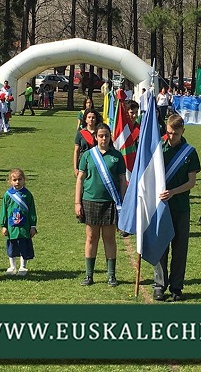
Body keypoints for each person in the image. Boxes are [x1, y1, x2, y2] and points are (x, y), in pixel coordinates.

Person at [154, 113, 200, 301]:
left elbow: (191, 182)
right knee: (160, 248)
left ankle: (176, 287)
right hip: (161, 207)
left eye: (175, 133)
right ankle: (159, 285)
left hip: (181, 207)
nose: (171, 136)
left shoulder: (190, 152)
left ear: (183, 131)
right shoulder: (158, 149)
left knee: (180, 249)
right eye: (169, 132)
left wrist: (173, 191)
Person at [75, 123, 126, 287]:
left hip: (110, 202)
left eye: (106, 135)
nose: (104, 138)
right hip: (90, 200)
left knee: (109, 238)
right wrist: (77, 202)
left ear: (110, 136)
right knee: (91, 238)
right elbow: (80, 179)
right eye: (101, 136)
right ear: (95, 137)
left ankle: (111, 275)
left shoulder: (117, 156)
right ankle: (89, 275)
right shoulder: (88, 156)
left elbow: (122, 181)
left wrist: (123, 202)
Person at [0, 168, 38, 275]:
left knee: (23, 246)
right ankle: (12, 266)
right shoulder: (8, 195)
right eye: (15, 180)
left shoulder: (27, 195)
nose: (17, 182)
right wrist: (3, 225)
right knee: (12, 246)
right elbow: (4, 210)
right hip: (12, 227)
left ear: (24, 180)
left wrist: (33, 226)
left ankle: (23, 267)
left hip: (24, 227)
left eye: (20, 179)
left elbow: (32, 211)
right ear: (10, 181)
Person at [73, 109, 100, 178]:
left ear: (96, 119)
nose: (91, 119)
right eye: (89, 117)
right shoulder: (80, 133)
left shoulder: (100, 133)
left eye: (93, 117)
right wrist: (75, 168)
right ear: (85, 119)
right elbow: (76, 151)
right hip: (83, 163)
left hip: (97, 162)